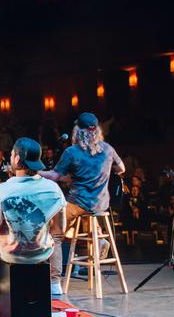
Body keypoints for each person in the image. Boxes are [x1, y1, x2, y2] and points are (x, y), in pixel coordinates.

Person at [41, 112, 125, 293]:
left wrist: (36, 172)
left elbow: (54, 176)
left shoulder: (72, 152)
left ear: (77, 131)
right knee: (87, 216)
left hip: (79, 203)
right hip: (101, 204)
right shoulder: (108, 149)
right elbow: (121, 168)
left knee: (54, 234)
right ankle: (100, 240)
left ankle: (54, 282)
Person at [0, 138, 66, 296]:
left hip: (11, 253)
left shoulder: (2, 190)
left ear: (17, 159)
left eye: (12, 154)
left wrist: (7, 226)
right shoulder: (53, 189)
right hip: (41, 253)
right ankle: (54, 282)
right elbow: (59, 229)